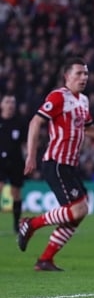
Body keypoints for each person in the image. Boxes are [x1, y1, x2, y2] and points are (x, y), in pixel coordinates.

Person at [18, 57, 94, 271]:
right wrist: (31, 155)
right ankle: (31, 224)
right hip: (56, 162)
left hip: (70, 165)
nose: (84, 77)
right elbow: (36, 121)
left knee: (78, 213)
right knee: (77, 210)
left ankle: (45, 259)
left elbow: (90, 129)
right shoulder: (58, 96)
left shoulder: (83, 101)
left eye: (86, 73)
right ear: (67, 76)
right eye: (79, 73)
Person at [0, 94, 27, 233]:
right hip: (0, 162)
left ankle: (16, 225)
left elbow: (25, 143)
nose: (10, 105)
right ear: (1, 105)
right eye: (7, 102)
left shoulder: (20, 122)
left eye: (12, 102)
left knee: (16, 192)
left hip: (16, 161)